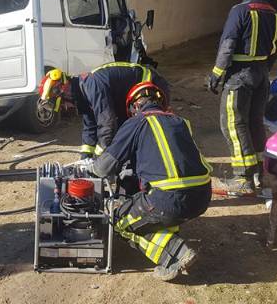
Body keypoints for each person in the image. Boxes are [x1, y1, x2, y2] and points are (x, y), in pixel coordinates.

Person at [89, 81, 211, 280]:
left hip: (169, 199)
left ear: (135, 106)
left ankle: (175, 254)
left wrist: (91, 168)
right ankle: (167, 229)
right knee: (151, 211)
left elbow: (103, 168)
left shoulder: (138, 122)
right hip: (202, 197)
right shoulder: (181, 121)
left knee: (118, 220)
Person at [206, 0, 277, 194]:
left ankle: (243, 179)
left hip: (239, 76)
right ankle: (259, 174)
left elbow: (228, 45)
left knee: (233, 124)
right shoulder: (274, 14)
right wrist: (261, 70)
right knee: (254, 122)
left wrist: (217, 74)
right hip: (261, 75)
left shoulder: (239, 11)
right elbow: (275, 51)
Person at [38, 62, 170, 158]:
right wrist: (86, 157)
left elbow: (107, 123)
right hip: (130, 98)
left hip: (150, 89)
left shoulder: (92, 86)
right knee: (123, 134)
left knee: (139, 134)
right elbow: (90, 126)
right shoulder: (84, 91)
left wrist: (99, 158)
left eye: (64, 105)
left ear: (65, 91)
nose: (67, 108)